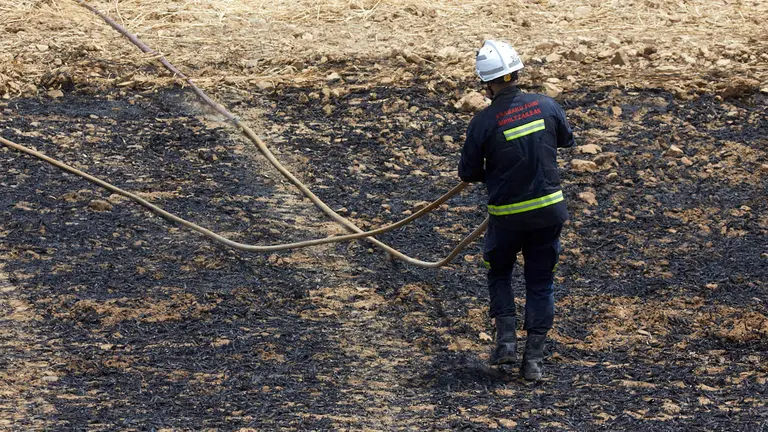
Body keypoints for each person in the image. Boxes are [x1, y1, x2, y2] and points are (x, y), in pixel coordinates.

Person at [458, 40, 575, 381]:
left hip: (507, 215)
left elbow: (467, 173)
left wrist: (492, 170)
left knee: (499, 272)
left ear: (486, 82)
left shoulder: (483, 121)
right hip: (549, 211)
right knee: (541, 283)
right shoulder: (548, 106)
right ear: (518, 72)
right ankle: (534, 362)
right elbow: (565, 141)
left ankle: (506, 342)